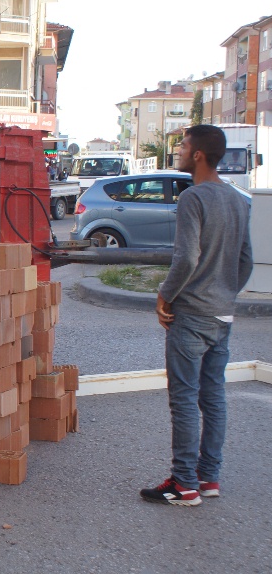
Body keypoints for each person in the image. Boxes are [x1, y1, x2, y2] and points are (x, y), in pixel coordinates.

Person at [142, 125, 253, 507]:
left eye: (184, 146)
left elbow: (186, 258)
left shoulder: (194, 198)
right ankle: (209, 478)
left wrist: (164, 295)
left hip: (191, 315)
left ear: (199, 155)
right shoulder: (239, 200)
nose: (179, 151)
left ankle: (184, 484)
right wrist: (223, 294)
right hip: (223, 316)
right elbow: (246, 261)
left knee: (185, 398)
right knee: (213, 397)